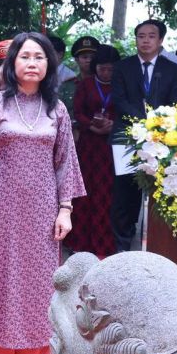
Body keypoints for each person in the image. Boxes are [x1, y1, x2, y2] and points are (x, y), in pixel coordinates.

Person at [0, 33, 84, 354]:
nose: (32, 63)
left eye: (39, 57)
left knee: (38, 284)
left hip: (43, 209)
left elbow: (65, 163)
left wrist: (65, 210)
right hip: (0, 206)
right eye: (25, 56)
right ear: (11, 64)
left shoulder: (57, 110)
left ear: (49, 65)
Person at [108, 19, 177, 253]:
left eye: (151, 36)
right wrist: (144, 121)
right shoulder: (122, 67)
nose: (145, 41)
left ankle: (157, 248)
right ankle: (122, 247)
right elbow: (119, 101)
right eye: (141, 36)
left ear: (160, 40)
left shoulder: (172, 70)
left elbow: (175, 103)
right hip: (126, 137)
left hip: (162, 140)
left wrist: (157, 124)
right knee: (124, 195)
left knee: (158, 192)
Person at [65, 45, 118, 258]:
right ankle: (79, 242)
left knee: (106, 194)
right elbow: (78, 112)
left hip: (110, 148)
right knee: (84, 192)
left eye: (110, 69)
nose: (106, 73)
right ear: (95, 67)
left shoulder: (120, 85)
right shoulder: (85, 85)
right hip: (87, 145)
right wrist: (91, 125)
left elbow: (125, 112)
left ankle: (103, 243)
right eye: (102, 69)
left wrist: (112, 125)